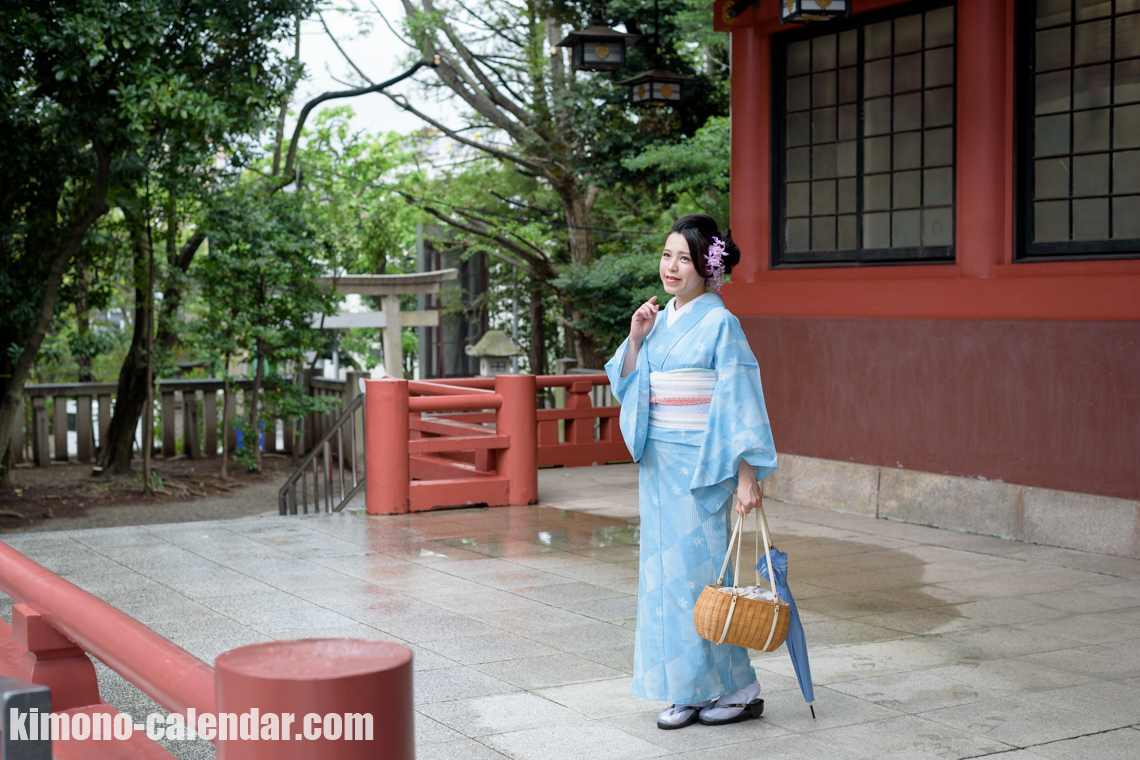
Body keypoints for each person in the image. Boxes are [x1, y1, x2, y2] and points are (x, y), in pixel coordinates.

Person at [604, 214, 778, 730]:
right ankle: (687, 689)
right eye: (666, 255)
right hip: (659, 463)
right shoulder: (658, 321)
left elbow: (736, 400)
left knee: (700, 580)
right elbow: (627, 381)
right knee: (662, 580)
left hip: (701, 465)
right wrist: (636, 339)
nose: (672, 266)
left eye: (684, 258)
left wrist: (746, 476)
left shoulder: (721, 323)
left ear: (708, 267)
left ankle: (737, 686)